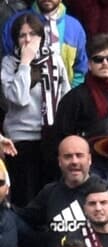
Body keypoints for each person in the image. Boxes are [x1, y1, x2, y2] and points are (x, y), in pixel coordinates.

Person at [18, 135, 108, 247]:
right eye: (68, 156)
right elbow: (24, 221)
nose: (74, 161)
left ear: (89, 159)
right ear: (59, 161)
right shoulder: (50, 193)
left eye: (79, 155)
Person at [1, 10, 69, 206]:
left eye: (33, 34)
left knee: (50, 195)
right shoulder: (9, 64)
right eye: (23, 35)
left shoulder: (54, 60)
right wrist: (25, 63)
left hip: (50, 137)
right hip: (20, 140)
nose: (28, 40)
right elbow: (18, 98)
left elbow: (65, 94)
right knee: (26, 198)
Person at [52, 33, 108, 141]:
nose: (105, 63)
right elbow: (60, 138)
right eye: (98, 59)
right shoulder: (74, 98)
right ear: (89, 64)